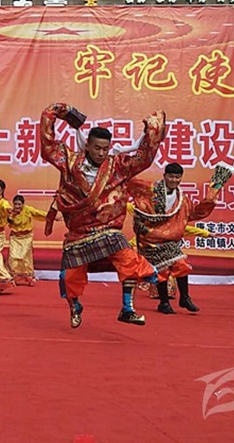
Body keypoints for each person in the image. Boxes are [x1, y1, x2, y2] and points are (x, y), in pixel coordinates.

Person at [39, 103, 167, 328]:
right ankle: (75, 306)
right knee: (69, 278)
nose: (101, 153)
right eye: (97, 148)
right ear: (87, 145)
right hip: (79, 233)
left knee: (128, 260)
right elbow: (48, 145)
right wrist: (58, 112)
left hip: (108, 229)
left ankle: (127, 309)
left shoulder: (118, 166)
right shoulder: (69, 162)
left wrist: (153, 131)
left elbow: (144, 158)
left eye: (105, 149)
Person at [126, 163, 234, 314]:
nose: (174, 180)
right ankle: (164, 303)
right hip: (150, 239)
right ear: (164, 176)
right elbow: (131, 185)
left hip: (169, 240)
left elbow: (195, 214)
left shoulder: (183, 201)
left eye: (177, 177)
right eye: (171, 176)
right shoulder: (150, 191)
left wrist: (214, 189)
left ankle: (184, 297)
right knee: (162, 270)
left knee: (181, 264)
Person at [6, 195, 48, 286]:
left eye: (19, 204)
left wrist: (51, 217)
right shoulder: (10, 212)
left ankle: (29, 277)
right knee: (13, 257)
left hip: (26, 237)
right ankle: (14, 277)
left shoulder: (28, 210)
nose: (17, 206)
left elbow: (38, 213)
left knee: (25, 258)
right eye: (15, 204)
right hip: (15, 237)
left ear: (23, 204)